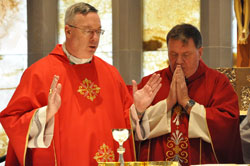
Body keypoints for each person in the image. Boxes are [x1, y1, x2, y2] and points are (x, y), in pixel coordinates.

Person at [0, 2, 161, 166]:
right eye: (88, 31)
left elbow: (123, 128)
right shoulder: (39, 73)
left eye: (99, 31)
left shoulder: (111, 74)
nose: (95, 38)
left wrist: (138, 110)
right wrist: (46, 114)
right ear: (68, 31)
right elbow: (12, 120)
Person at [131, 23, 243, 165]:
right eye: (173, 54)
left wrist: (187, 102)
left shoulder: (217, 83)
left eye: (186, 55)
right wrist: (167, 103)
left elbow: (227, 126)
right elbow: (133, 129)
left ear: (200, 52)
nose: (178, 61)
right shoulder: (151, 83)